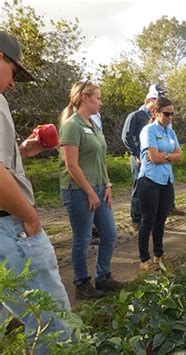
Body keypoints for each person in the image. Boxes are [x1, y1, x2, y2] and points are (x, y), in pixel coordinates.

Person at [0, 30, 71, 347]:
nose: (13, 83)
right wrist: (30, 219)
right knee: (53, 325)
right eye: (13, 71)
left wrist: (25, 149)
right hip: (8, 226)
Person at [59, 80, 123, 300]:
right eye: (97, 98)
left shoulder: (93, 125)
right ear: (85, 98)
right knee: (83, 238)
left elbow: (100, 159)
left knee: (109, 233)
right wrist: (89, 191)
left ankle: (103, 276)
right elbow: (71, 165)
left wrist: (107, 185)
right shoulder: (72, 125)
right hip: (78, 191)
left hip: (98, 188)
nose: (101, 103)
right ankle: (81, 284)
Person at [137, 97, 182, 270]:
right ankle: (144, 259)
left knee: (161, 220)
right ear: (156, 112)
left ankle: (158, 253)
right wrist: (166, 156)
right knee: (148, 220)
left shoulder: (170, 132)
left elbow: (180, 155)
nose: (170, 117)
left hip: (166, 181)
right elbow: (153, 159)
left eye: (172, 114)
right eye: (166, 114)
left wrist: (165, 156)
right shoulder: (148, 131)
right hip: (150, 181)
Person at [121, 85, 163, 231]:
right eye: (157, 100)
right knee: (139, 188)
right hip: (140, 157)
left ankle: (149, 218)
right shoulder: (136, 115)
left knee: (152, 187)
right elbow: (126, 136)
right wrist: (137, 154)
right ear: (150, 99)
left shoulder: (156, 117)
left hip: (154, 157)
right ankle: (136, 220)